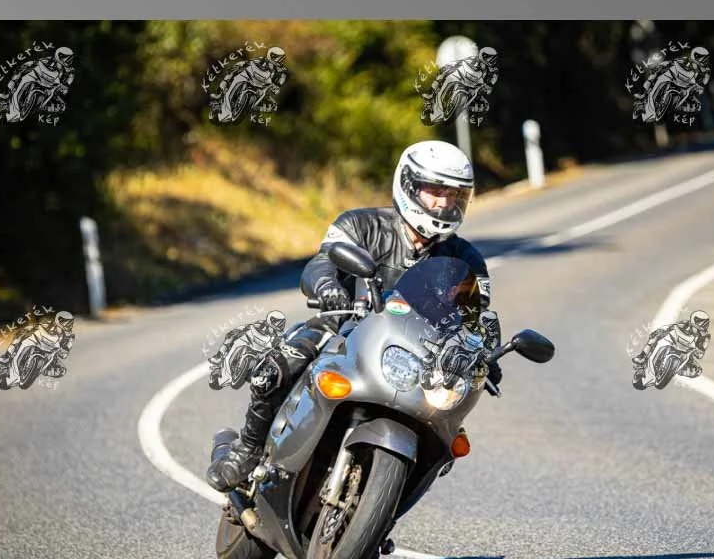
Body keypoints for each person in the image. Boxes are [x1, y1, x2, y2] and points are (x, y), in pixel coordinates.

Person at [206, 139, 503, 493]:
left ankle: (391, 496)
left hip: (416, 353)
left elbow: (475, 315)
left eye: (454, 195)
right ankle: (246, 450)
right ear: (409, 186)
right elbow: (320, 264)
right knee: (275, 369)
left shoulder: (467, 259)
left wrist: (484, 351)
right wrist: (327, 287)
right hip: (341, 325)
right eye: (435, 191)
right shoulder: (361, 224)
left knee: (446, 425)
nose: (444, 203)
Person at [632, 310, 711, 383]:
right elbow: (670, 327)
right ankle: (642, 356)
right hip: (674, 344)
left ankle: (674, 371)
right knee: (655, 336)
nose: (702, 325)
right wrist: (661, 331)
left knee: (697, 371)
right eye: (700, 322)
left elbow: (700, 354)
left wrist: (697, 351)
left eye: (704, 323)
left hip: (686, 353)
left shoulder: (705, 338)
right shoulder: (685, 324)